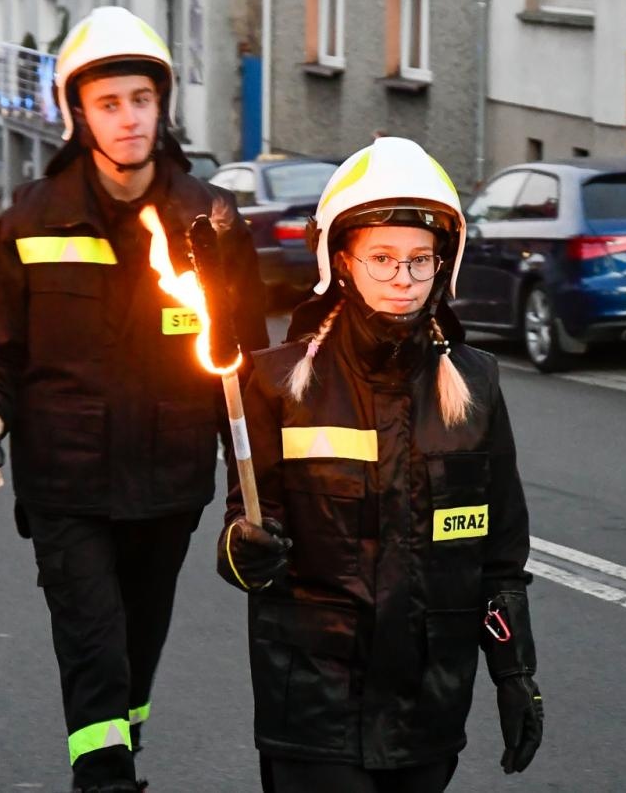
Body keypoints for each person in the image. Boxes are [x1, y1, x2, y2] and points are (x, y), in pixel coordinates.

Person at [0, 6, 269, 793]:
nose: (128, 118)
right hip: (66, 484)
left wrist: (251, 498)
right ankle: (103, 779)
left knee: (135, 645)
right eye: (109, 103)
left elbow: (246, 370)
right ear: (78, 113)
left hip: (169, 483)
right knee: (93, 642)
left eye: (140, 99)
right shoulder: (31, 217)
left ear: (161, 106)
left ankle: (118, 749)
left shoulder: (211, 219)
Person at [216, 137, 541, 793]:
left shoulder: (475, 386)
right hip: (313, 706)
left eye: (420, 261)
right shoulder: (278, 383)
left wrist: (515, 673)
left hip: (431, 704)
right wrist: (247, 551)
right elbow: (241, 531)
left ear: (443, 265)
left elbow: (500, 553)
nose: (403, 280)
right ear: (343, 260)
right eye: (384, 259)